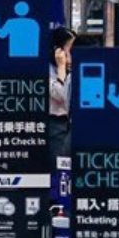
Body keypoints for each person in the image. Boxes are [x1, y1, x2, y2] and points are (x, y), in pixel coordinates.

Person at [46, 27, 74, 162]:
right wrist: (61, 67)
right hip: (56, 123)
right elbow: (60, 94)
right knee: (60, 164)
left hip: (70, 123)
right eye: (69, 50)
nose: (71, 56)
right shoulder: (48, 70)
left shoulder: (73, 70)